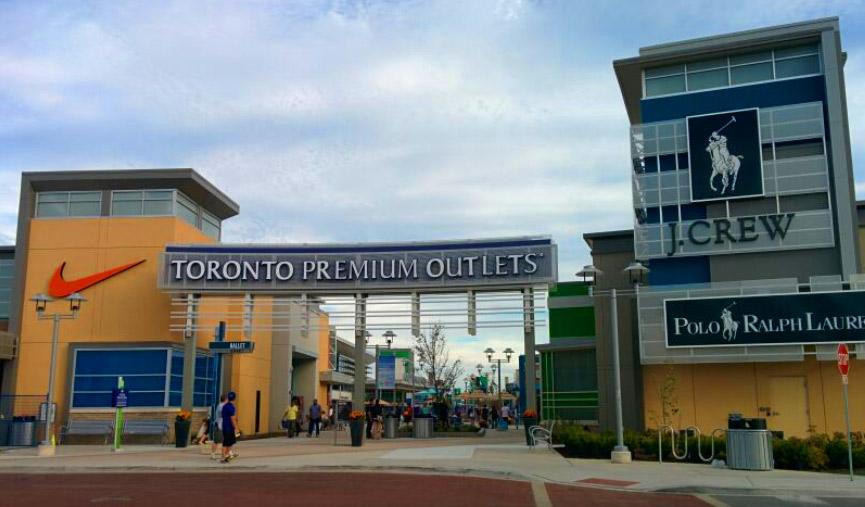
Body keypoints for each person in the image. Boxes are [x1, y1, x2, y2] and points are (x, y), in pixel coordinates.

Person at [221, 391, 239, 463]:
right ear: (234, 398)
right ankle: (224, 456)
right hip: (229, 427)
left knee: (228, 442)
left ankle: (226, 455)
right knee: (227, 443)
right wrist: (236, 428)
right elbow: (232, 419)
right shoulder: (232, 407)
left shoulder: (225, 406)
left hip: (225, 426)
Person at [210, 394, 227, 460]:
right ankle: (214, 454)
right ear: (225, 399)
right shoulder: (221, 406)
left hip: (221, 425)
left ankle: (225, 453)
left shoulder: (222, 405)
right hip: (219, 425)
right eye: (227, 399)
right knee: (216, 441)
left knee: (223, 440)